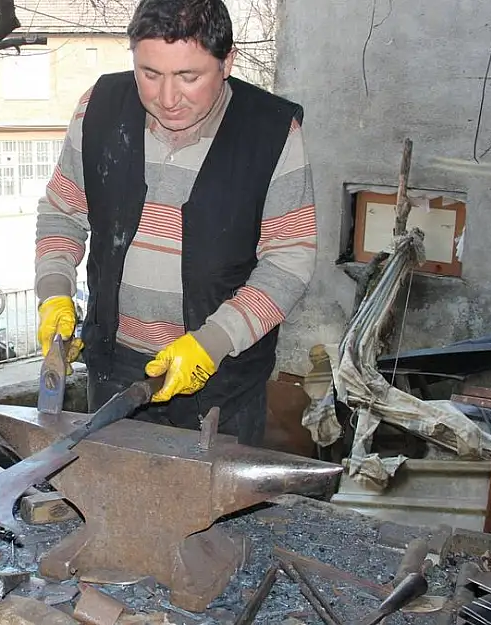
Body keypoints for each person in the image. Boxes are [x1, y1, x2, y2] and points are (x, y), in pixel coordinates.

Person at [33, 0, 317, 447]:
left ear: (227, 62)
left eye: (189, 77)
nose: (167, 99)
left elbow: (289, 260)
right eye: (149, 74)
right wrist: (54, 294)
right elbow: (62, 212)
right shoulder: (100, 108)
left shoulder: (272, 131)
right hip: (115, 367)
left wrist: (214, 341)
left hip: (221, 378)